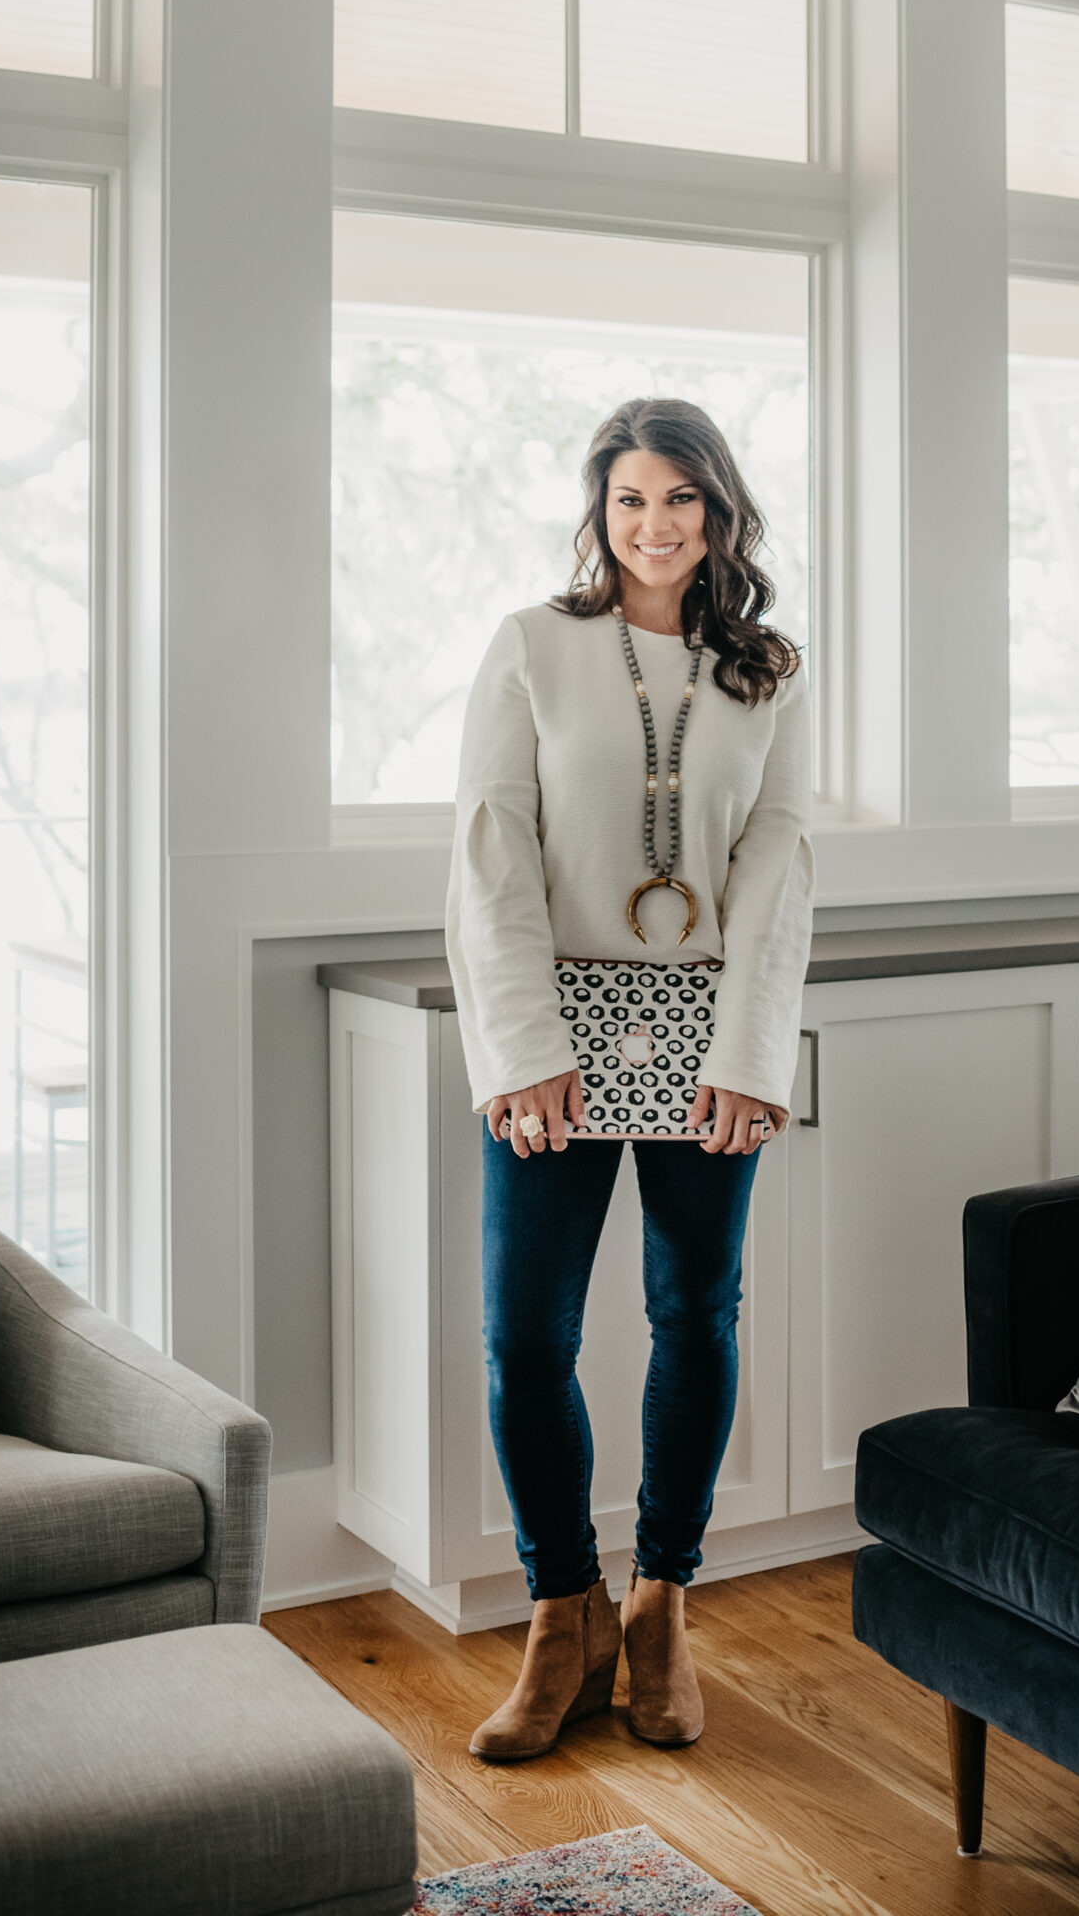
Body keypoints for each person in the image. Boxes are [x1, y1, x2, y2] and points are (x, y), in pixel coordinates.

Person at [447, 396, 813, 1762]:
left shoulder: (767, 667)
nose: (655, 525)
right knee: (527, 1336)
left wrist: (751, 1055)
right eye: (629, 501)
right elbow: (490, 848)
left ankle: (660, 1603)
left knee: (693, 1314)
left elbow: (778, 861)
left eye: (680, 499)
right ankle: (563, 1616)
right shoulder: (533, 647)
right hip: (556, 1027)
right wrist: (526, 1051)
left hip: (708, 1029)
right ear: (598, 517)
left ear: (720, 514)